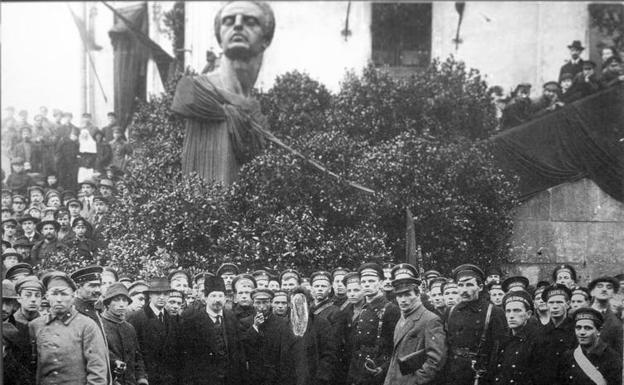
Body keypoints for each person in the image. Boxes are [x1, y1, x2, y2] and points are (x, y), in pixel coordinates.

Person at [172, 1, 276, 185]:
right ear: (220, 37)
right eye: (228, 21)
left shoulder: (256, 112)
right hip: (205, 206)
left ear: (266, 40)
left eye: (250, 21)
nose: (237, 24)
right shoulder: (196, 90)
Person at [29, 272, 108, 385]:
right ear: (47, 296)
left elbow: (97, 371)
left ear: (73, 296)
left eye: (64, 294)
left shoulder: (87, 326)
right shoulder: (35, 326)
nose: (59, 299)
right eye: (54, 294)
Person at [442, 264, 506, 385]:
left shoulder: (494, 312)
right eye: (460, 285)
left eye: (469, 285)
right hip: (453, 374)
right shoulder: (451, 311)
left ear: (480, 287)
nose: (464, 290)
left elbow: (500, 350)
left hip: (481, 375)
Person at [383, 263, 446, 385]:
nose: (403, 300)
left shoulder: (430, 320)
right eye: (399, 295)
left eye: (407, 294)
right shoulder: (402, 319)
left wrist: (415, 381)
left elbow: (436, 360)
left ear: (418, 295)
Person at [180, 274, 246, 385]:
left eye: (220, 296)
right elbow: (188, 359)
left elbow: (238, 351)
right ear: (205, 299)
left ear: (225, 298)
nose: (217, 300)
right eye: (213, 296)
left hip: (230, 379)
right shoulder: (192, 322)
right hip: (204, 380)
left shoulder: (231, 318)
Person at [347, 263, 401, 385]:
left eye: (371, 281)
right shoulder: (364, 308)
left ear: (381, 283)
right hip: (358, 368)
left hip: (377, 369)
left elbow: (396, 347)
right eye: (364, 281)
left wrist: (383, 368)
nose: (366, 284)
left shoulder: (391, 309)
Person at [127, 277, 180, 385]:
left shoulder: (172, 319)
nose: (161, 297)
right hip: (147, 378)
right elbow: (134, 352)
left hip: (169, 379)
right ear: (150, 295)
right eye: (157, 293)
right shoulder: (137, 318)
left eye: (165, 294)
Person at [240, 287, 298, 385]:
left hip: (276, 376)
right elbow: (244, 348)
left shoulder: (282, 324)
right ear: (253, 303)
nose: (262, 306)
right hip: (253, 376)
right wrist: (255, 327)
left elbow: (285, 354)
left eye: (265, 302)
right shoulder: (245, 323)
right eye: (258, 302)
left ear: (271, 303)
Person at [556, 308, 622, 385]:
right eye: (578, 328)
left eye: (587, 328)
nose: (582, 332)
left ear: (599, 331)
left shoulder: (612, 358)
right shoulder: (568, 357)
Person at [101, 282, 149, 385]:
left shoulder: (129, 328)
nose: (121, 304)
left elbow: (137, 357)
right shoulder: (99, 326)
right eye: (116, 300)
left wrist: (141, 378)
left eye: (124, 300)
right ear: (108, 303)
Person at [489, 290, 541, 384]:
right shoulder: (501, 339)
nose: (511, 316)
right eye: (508, 311)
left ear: (528, 314)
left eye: (517, 310)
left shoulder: (537, 340)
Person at [289, 286, 338, 385]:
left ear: (309, 304)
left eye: (302, 304)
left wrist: (321, 378)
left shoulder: (321, 324)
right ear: (290, 305)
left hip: (313, 378)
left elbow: (329, 354)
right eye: (295, 304)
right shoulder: (283, 325)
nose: (299, 307)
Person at [535, 284, 576, 384]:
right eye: (551, 302)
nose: (555, 306)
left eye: (559, 302)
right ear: (546, 304)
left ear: (568, 304)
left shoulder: (576, 330)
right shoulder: (540, 332)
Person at [588, 276, 622, 357]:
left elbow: (618, 352)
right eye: (599, 286)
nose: (604, 289)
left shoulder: (617, 322)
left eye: (609, 287)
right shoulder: (580, 313)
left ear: (613, 293)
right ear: (592, 292)